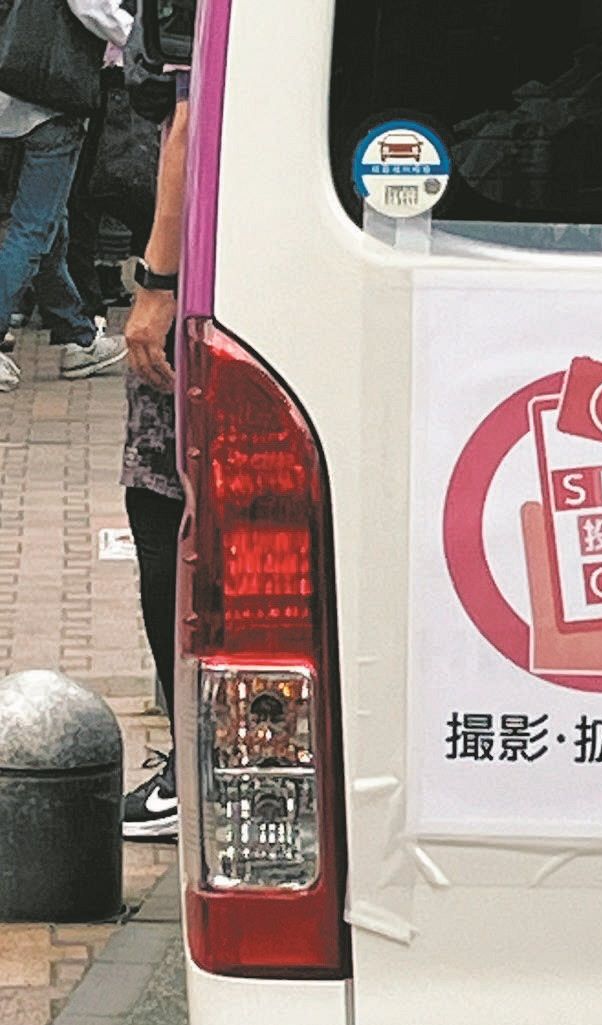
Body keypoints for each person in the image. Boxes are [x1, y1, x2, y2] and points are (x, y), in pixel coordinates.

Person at [119, 67, 187, 840]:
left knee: (163, 502)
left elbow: (190, 119)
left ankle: (192, 763)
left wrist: (157, 282)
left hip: (203, 267)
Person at [0, 0, 130, 392]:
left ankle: (78, 337)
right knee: (33, 229)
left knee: (50, 227)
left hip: (10, 94)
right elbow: (94, 8)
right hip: (52, 104)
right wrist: (143, 45)